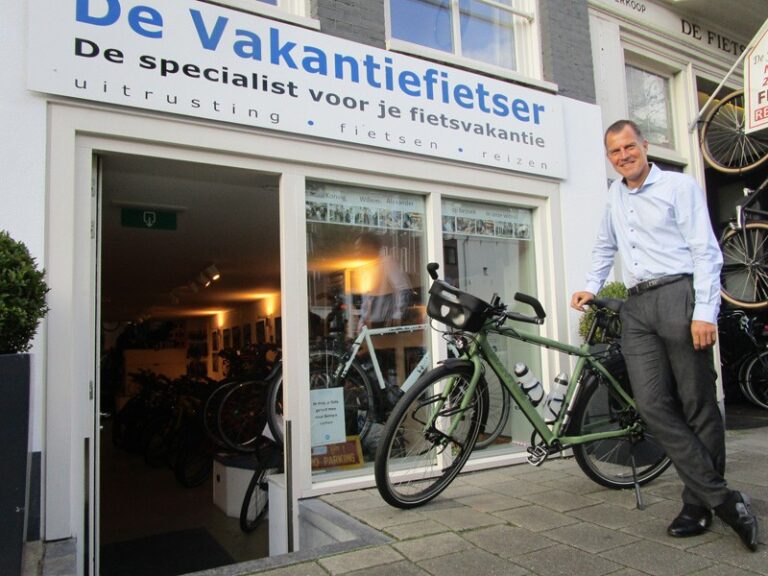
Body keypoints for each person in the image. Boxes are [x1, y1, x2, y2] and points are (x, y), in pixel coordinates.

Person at [571, 120, 759, 551]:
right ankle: (725, 500)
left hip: (679, 295)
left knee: (697, 404)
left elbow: (705, 251)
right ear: (609, 157)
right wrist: (592, 285)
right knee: (652, 405)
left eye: (629, 147)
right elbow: (604, 246)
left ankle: (697, 504)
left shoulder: (679, 186)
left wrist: (705, 312)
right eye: (615, 151)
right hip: (637, 307)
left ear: (644, 145)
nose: (623, 156)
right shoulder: (614, 195)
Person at [354, 232, 413, 330]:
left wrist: (397, 315)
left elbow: (404, 290)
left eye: (359, 249)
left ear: (370, 247)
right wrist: (362, 321)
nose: (357, 253)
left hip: (386, 324)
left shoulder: (387, 263)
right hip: (371, 325)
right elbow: (366, 299)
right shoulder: (365, 268)